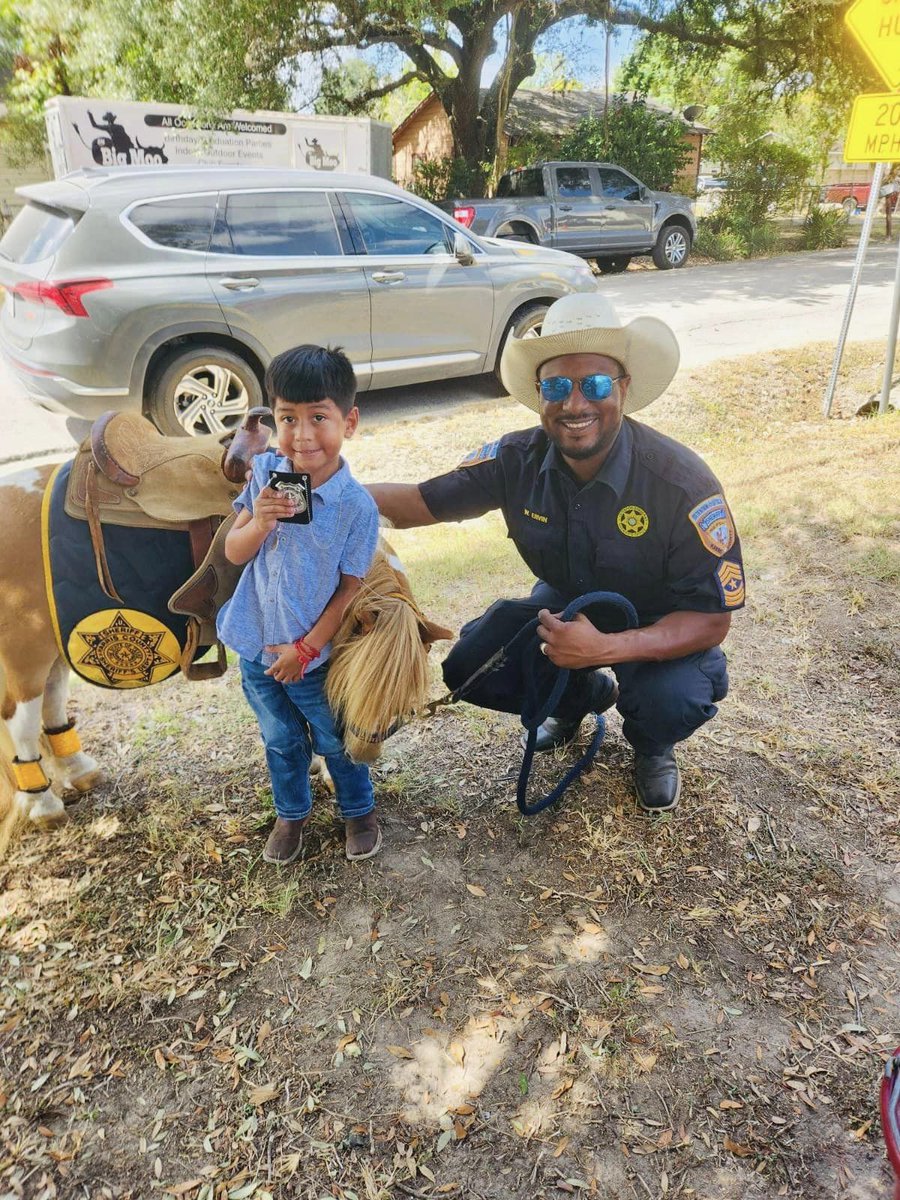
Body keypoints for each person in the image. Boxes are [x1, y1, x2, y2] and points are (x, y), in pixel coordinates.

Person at [368, 294, 744, 813]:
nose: (574, 404)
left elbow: (710, 621)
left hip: (662, 620)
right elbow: (417, 504)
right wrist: (320, 489)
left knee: (673, 698)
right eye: (556, 386)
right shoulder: (515, 459)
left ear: (624, 389)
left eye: (594, 384)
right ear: (539, 394)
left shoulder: (680, 484)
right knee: (472, 665)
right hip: (568, 603)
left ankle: (652, 745)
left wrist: (605, 650)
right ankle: (579, 699)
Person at [217, 345, 381, 863]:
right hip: (255, 644)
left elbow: (349, 590)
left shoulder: (357, 506)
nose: (303, 435)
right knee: (280, 739)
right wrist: (259, 521)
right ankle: (292, 813)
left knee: (336, 739)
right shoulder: (265, 472)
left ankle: (359, 809)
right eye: (288, 417)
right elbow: (233, 551)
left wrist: (306, 651)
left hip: (312, 658)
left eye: (319, 417)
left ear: (349, 422)